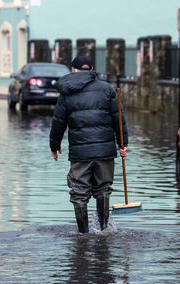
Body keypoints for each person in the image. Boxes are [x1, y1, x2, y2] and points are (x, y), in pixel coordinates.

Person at [50, 55, 128, 233]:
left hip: (80, 153)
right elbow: (119, 120)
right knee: (103, 189)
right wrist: (123, 144)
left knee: (79, 192)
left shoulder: (66, 92)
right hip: (105, 151)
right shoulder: (107, 90)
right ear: (92, 69)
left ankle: (83, 234)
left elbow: (58, 122)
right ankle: (103, 229)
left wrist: (54, 146)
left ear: (73, 70)